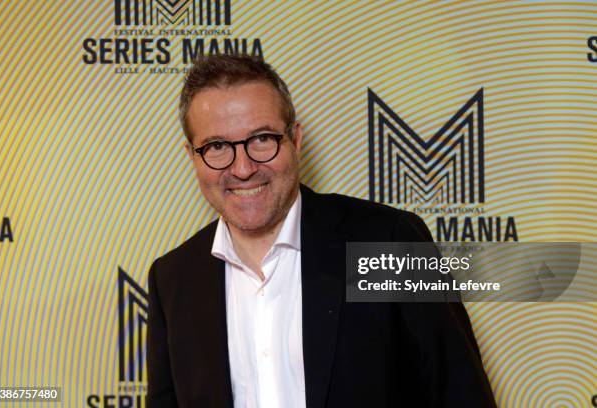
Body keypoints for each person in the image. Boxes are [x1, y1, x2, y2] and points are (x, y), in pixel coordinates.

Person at [146, 54, 496, 408]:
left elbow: (461, 394)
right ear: (192, 156)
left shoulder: (388, 242)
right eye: (217, 147)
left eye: (262, 139)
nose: (243, 168)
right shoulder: (173, 278)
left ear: (295, 140)